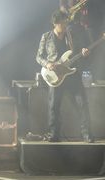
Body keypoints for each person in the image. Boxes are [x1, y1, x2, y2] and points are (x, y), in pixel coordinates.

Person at [36, 10, 94, 143]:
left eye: (66, 22)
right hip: (56, 76)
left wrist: (84, 52)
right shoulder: (46, 37)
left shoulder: (71, 35)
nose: (65, 25)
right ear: (55, 23)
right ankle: (53, 134)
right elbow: (38, 57)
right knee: (53, 106)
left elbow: (79, 51)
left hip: (72, 74)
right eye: (62, 23)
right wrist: (48, 64)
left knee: (82, 104)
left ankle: (87, 135)